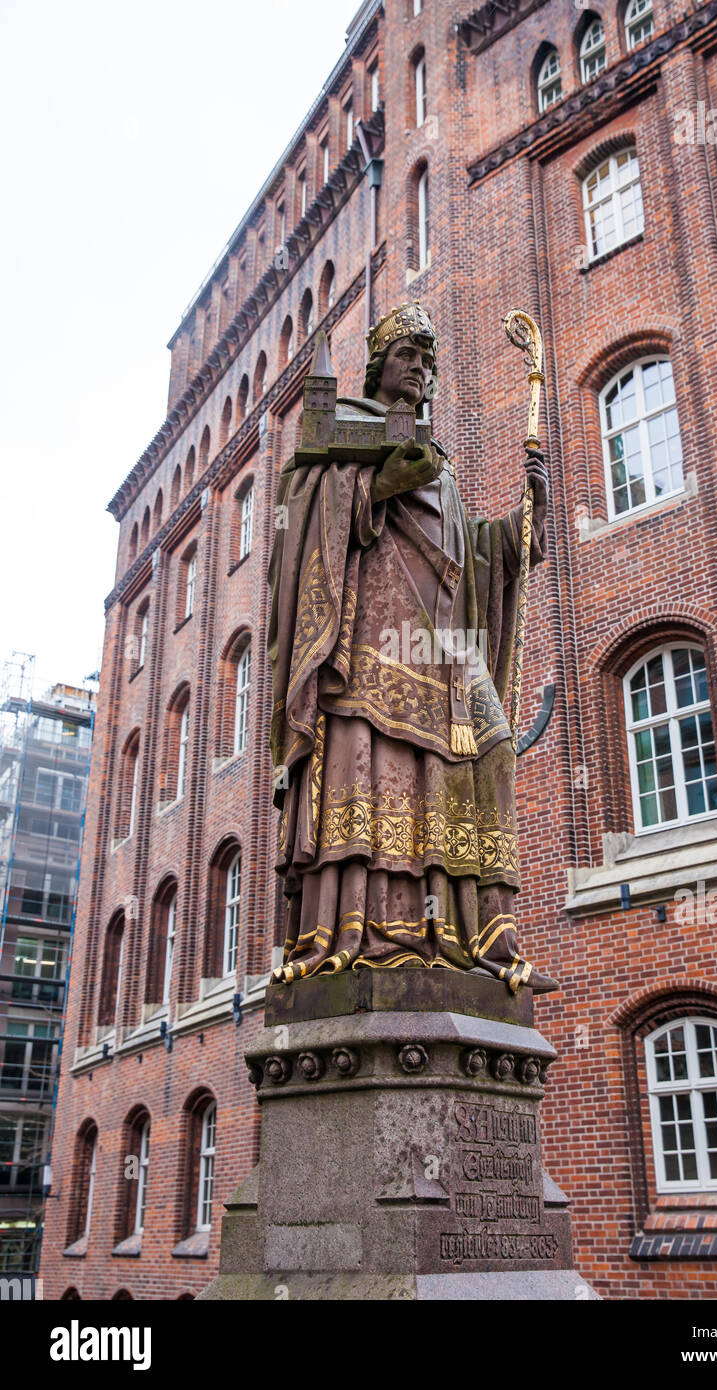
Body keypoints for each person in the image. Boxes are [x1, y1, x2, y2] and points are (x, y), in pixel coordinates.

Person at [267, 301, 556, 992]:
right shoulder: (344, 434)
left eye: (428, 361)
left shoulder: (439, 456)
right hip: (374, 646)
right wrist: (377, 483)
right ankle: (364, 931)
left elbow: (463, 550)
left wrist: (518, 530)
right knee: (377, 769)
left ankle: (479, 938)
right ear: (377, 367)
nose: (421, 370)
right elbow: (300, 519)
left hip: (447, 649)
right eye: (409, 357)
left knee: (493, 755)